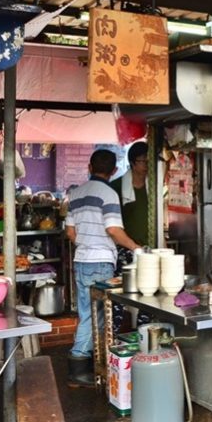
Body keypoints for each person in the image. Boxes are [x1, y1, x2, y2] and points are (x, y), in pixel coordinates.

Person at [65, 149, 141, 388]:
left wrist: (86, 242)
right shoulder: (108, 194)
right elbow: (113, 230)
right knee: (98, 315)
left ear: (89, 167)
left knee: (86, 313)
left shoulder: (75, 194)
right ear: (114, 171)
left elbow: (70, 232)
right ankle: (79, 364)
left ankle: (85, 363)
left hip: (81, 260)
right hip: (100, 261)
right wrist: (137, 248)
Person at [111, 141, 150, 247]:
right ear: (132, 163)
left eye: (149, 161)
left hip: (149, 246)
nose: (147, 165)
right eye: (143, 161)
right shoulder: (116, 187)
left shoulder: (153, 186)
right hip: (125, 247)